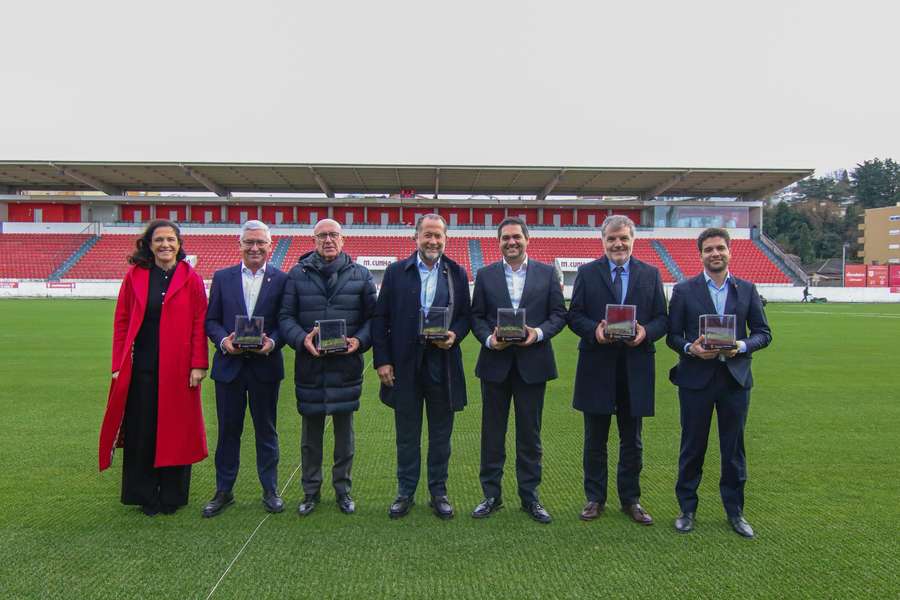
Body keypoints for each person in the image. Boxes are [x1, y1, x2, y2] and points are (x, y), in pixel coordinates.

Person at [666, 227, 772, 538]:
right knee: (692, 446)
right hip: (695, 379)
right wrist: (691, 348)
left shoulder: (747, 290)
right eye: (709, 249)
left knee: (733, 449)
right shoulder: (684, 290)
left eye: (720, 248)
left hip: (734, 380)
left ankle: (735, 512)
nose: (715, 253)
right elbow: (672, 336)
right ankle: (687, 509)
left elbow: (763, 334)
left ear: (729, 252)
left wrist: (741, 346)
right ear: (700, 255)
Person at [98, 219, 208, 516]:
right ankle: (144, 494)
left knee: (176, 430)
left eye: (170, 239)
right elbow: (122, 322)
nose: (165, 245)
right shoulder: (134, 276)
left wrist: (198, 364)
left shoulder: (191, 278)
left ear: (179, 244)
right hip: (141, 366)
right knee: (142, 430)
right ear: (149, 244)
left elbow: (199, 323)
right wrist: (118, 364)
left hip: (179, 368)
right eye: (159, 240)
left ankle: (172, 495)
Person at [567, 215, 668, 525]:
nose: (617, 244)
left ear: (632, 239)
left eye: (623, 238)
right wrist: (594, 331)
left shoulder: (650, 274)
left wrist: (646, 332)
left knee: (632, 440)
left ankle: (631, 499)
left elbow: (662, 319)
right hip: (597, 365)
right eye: (611, 238)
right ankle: (594, 498)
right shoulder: (587, 273)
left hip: (635, 368)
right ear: (603, 241)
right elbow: (575, 315)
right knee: (594, 439)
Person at [372, 214, 471, 520]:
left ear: (446, 239)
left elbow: (465, 317)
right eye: (427, 235)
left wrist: (455, 335)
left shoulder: (457, 272)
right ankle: (405, 492)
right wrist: (382, 360)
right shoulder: (395, 272)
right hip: (404, 365)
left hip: (443, 365)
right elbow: (380, 318)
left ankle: (438, 492)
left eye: (438, 236)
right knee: (407, 434)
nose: (433, 241)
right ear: (415, 238)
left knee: (441, 435)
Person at [469, 217, 567, 523]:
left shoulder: (547, 273)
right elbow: (476, 316)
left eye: (516, 237)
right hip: (495, 364)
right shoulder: (485, 275)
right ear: (498, 242)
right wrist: (489, 340)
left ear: (527, 239)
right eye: (505, 238)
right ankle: (491, 495)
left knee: (529, 435)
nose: (511, 242)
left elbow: (558, 315)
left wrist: (537, 333)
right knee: (492, 434)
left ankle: (530, 497)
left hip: (533, 364)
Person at [280, 219, 377, 516]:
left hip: (346, 367)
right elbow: (285, 317)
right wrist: (301, 339)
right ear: (314, 240)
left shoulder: (361, 274)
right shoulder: (297, 274)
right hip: (310, 367)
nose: (328, 240)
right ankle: (310, 492)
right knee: (310, 437)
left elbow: (374, 320)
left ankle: (343, 490)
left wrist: (359, 341)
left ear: (343, 239)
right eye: (322, 235)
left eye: (333, 235)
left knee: (344, 437)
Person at [201, 220, 288, 518]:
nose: (254, 248)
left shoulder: (282, 279)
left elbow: (285, 322)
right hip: (229, 367)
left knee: (266, 431)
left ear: (270, 246)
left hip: (265, 367)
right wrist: (223, 341)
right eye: (249, 242)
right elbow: (211, 320)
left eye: (260, 242)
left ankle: (270, 490)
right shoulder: (222, 277)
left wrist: (272, 342)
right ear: (239, 245)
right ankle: (224, 490)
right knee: (228, 432)